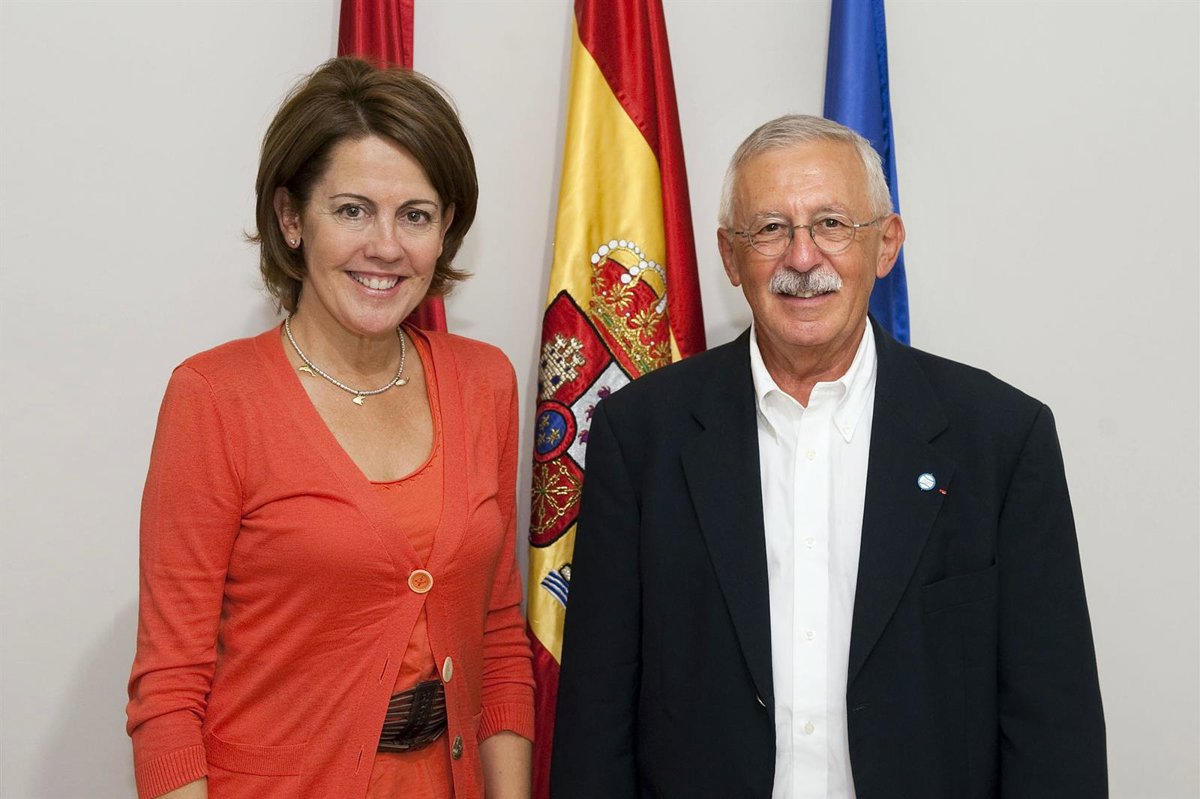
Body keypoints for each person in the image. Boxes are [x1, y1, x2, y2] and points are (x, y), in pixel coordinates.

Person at [551, 115, 1106, 798]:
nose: (802, 257)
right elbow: (597, 713)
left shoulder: (1000, 440)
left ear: (886, 244)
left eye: (832, 224)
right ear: (729, 256)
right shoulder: (640, 436)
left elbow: (1054, 726)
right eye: (770, 229)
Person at [126, 57, 534, 799]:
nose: (386, 245)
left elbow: (500, 640)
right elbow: (169, 691)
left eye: (416, 215)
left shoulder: (485, 383)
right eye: (352, 210)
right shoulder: (214, 398)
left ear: (446, 228)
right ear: (291, 218)